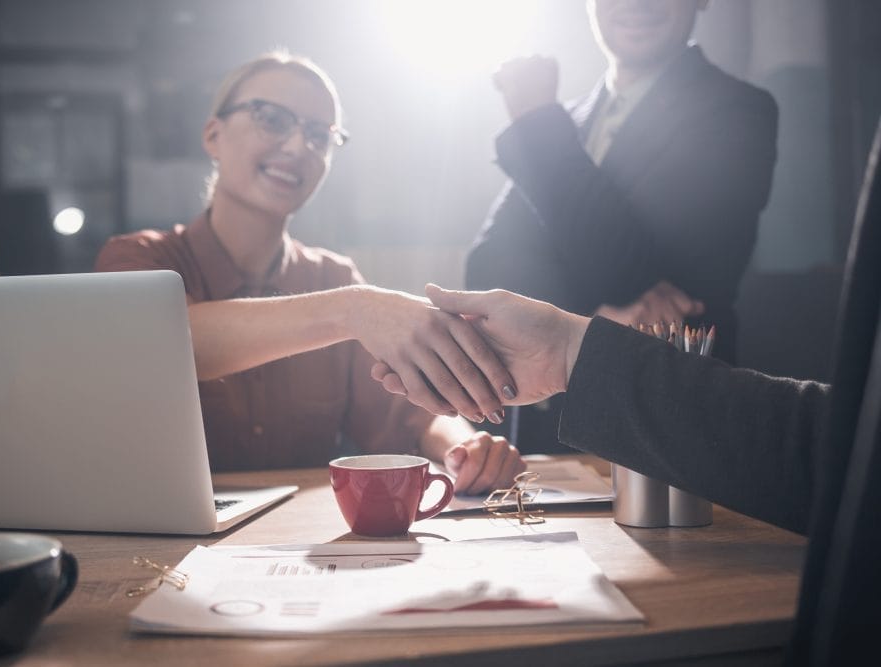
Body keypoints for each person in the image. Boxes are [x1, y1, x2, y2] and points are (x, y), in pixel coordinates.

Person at [374, 116, 881, 666]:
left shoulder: (729, 115)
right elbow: (494, 258)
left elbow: (667, 273)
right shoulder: (569, 117)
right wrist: (571, 342)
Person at [95, 52, 524, 494]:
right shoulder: (136, 259)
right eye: (272, 119)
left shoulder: (333, 276)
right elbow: (175, 343)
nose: (300, 148)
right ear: (213, 134)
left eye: (320, 135)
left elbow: (409, 415)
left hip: (296, 546)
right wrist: (352, 308)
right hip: (164, 548)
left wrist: (466, 449)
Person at [467, 0, 778, 452]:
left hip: (668, 425)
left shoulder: (739, 111)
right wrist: (590, 325)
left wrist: (536, 123)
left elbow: (633, 269)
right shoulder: (565, 120)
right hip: (545, 434)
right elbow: (486, 268)